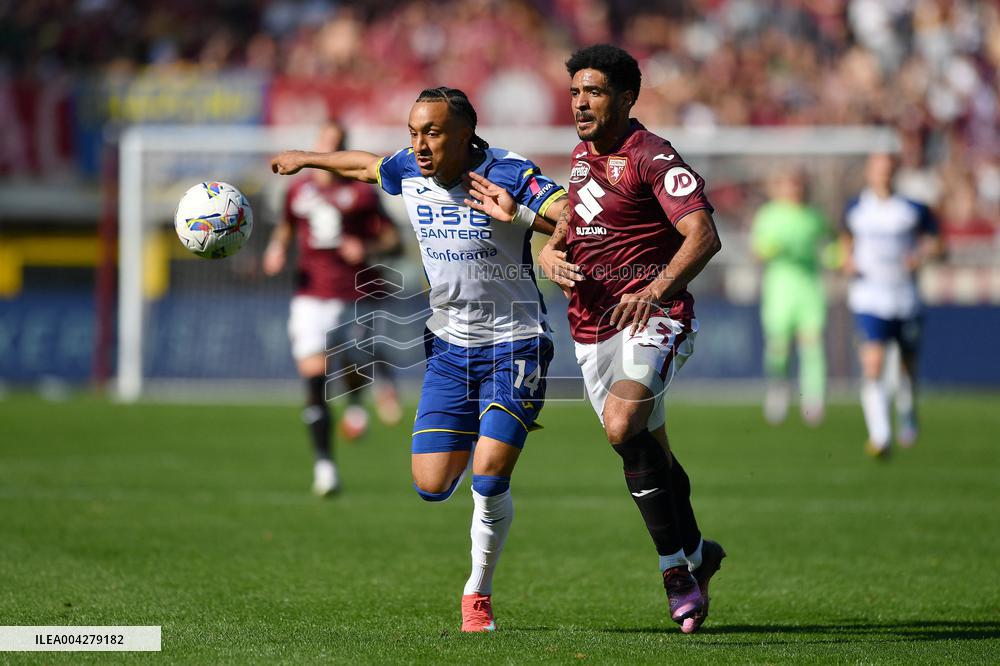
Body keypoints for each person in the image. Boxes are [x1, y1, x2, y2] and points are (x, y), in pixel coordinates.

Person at [270, 88, 569, 632]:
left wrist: (523, 217)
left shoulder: (507, 172)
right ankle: (490, 424)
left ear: (464, 134)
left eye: (431, 132)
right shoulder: (409, 169)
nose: (419, 144)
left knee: (489, 474)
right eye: (413, 132)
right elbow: (364, 165)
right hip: (449, 349)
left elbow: (573, 217)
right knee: (431, 486)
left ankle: (477, 594)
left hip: (515, 340)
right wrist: (307, 158)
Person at [537, 44, 726, 634]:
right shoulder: (580, 157)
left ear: (626, 97)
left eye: (593, 92)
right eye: (575, 92)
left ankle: (674, 573)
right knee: (649, 452)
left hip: (654, 317)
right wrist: (548, 251)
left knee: (622, 425)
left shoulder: (652, 155)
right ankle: (699, 554)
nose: (580, 104)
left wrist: (655, 289)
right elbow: (575, 223)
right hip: (591, 325)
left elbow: (703, 234)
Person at [264, 121, 403, 496]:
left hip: (352, 296)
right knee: (315, 379)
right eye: (325, 141)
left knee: (353, 364)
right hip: (310, 296)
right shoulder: (298, 190)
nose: (329, 148)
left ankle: (361, 400)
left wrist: (366, 248)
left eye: (337, 143)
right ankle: (325, 466)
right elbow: (286, 228)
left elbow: (393, 240)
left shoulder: (362, 193)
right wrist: (276, 249)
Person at [841, 152, 944, 458]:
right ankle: (881, 436)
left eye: (888, 169)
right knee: (872, 363)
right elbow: (845, 241)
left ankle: (907, 410)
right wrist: (847, 260)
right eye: (878, 169)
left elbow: (939, 244)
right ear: (869, 172)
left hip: (904, 297)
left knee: (906, 366)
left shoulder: (913, 209)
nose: (883, 175)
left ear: (895, 172)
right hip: (869, 297)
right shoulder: (856, 208)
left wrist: (922, 256)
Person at [750, 168, 834, 426]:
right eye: (790, 185)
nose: (795, 190)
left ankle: (813, 400)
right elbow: (758, 250)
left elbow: (832, 245)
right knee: (779, 347)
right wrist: (768, 249)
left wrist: (835, 256)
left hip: (809, 287)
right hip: (780, 287)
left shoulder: (814, 217)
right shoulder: (769, 215)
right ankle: (778, 390)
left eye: (799, 185)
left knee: (812, 344)